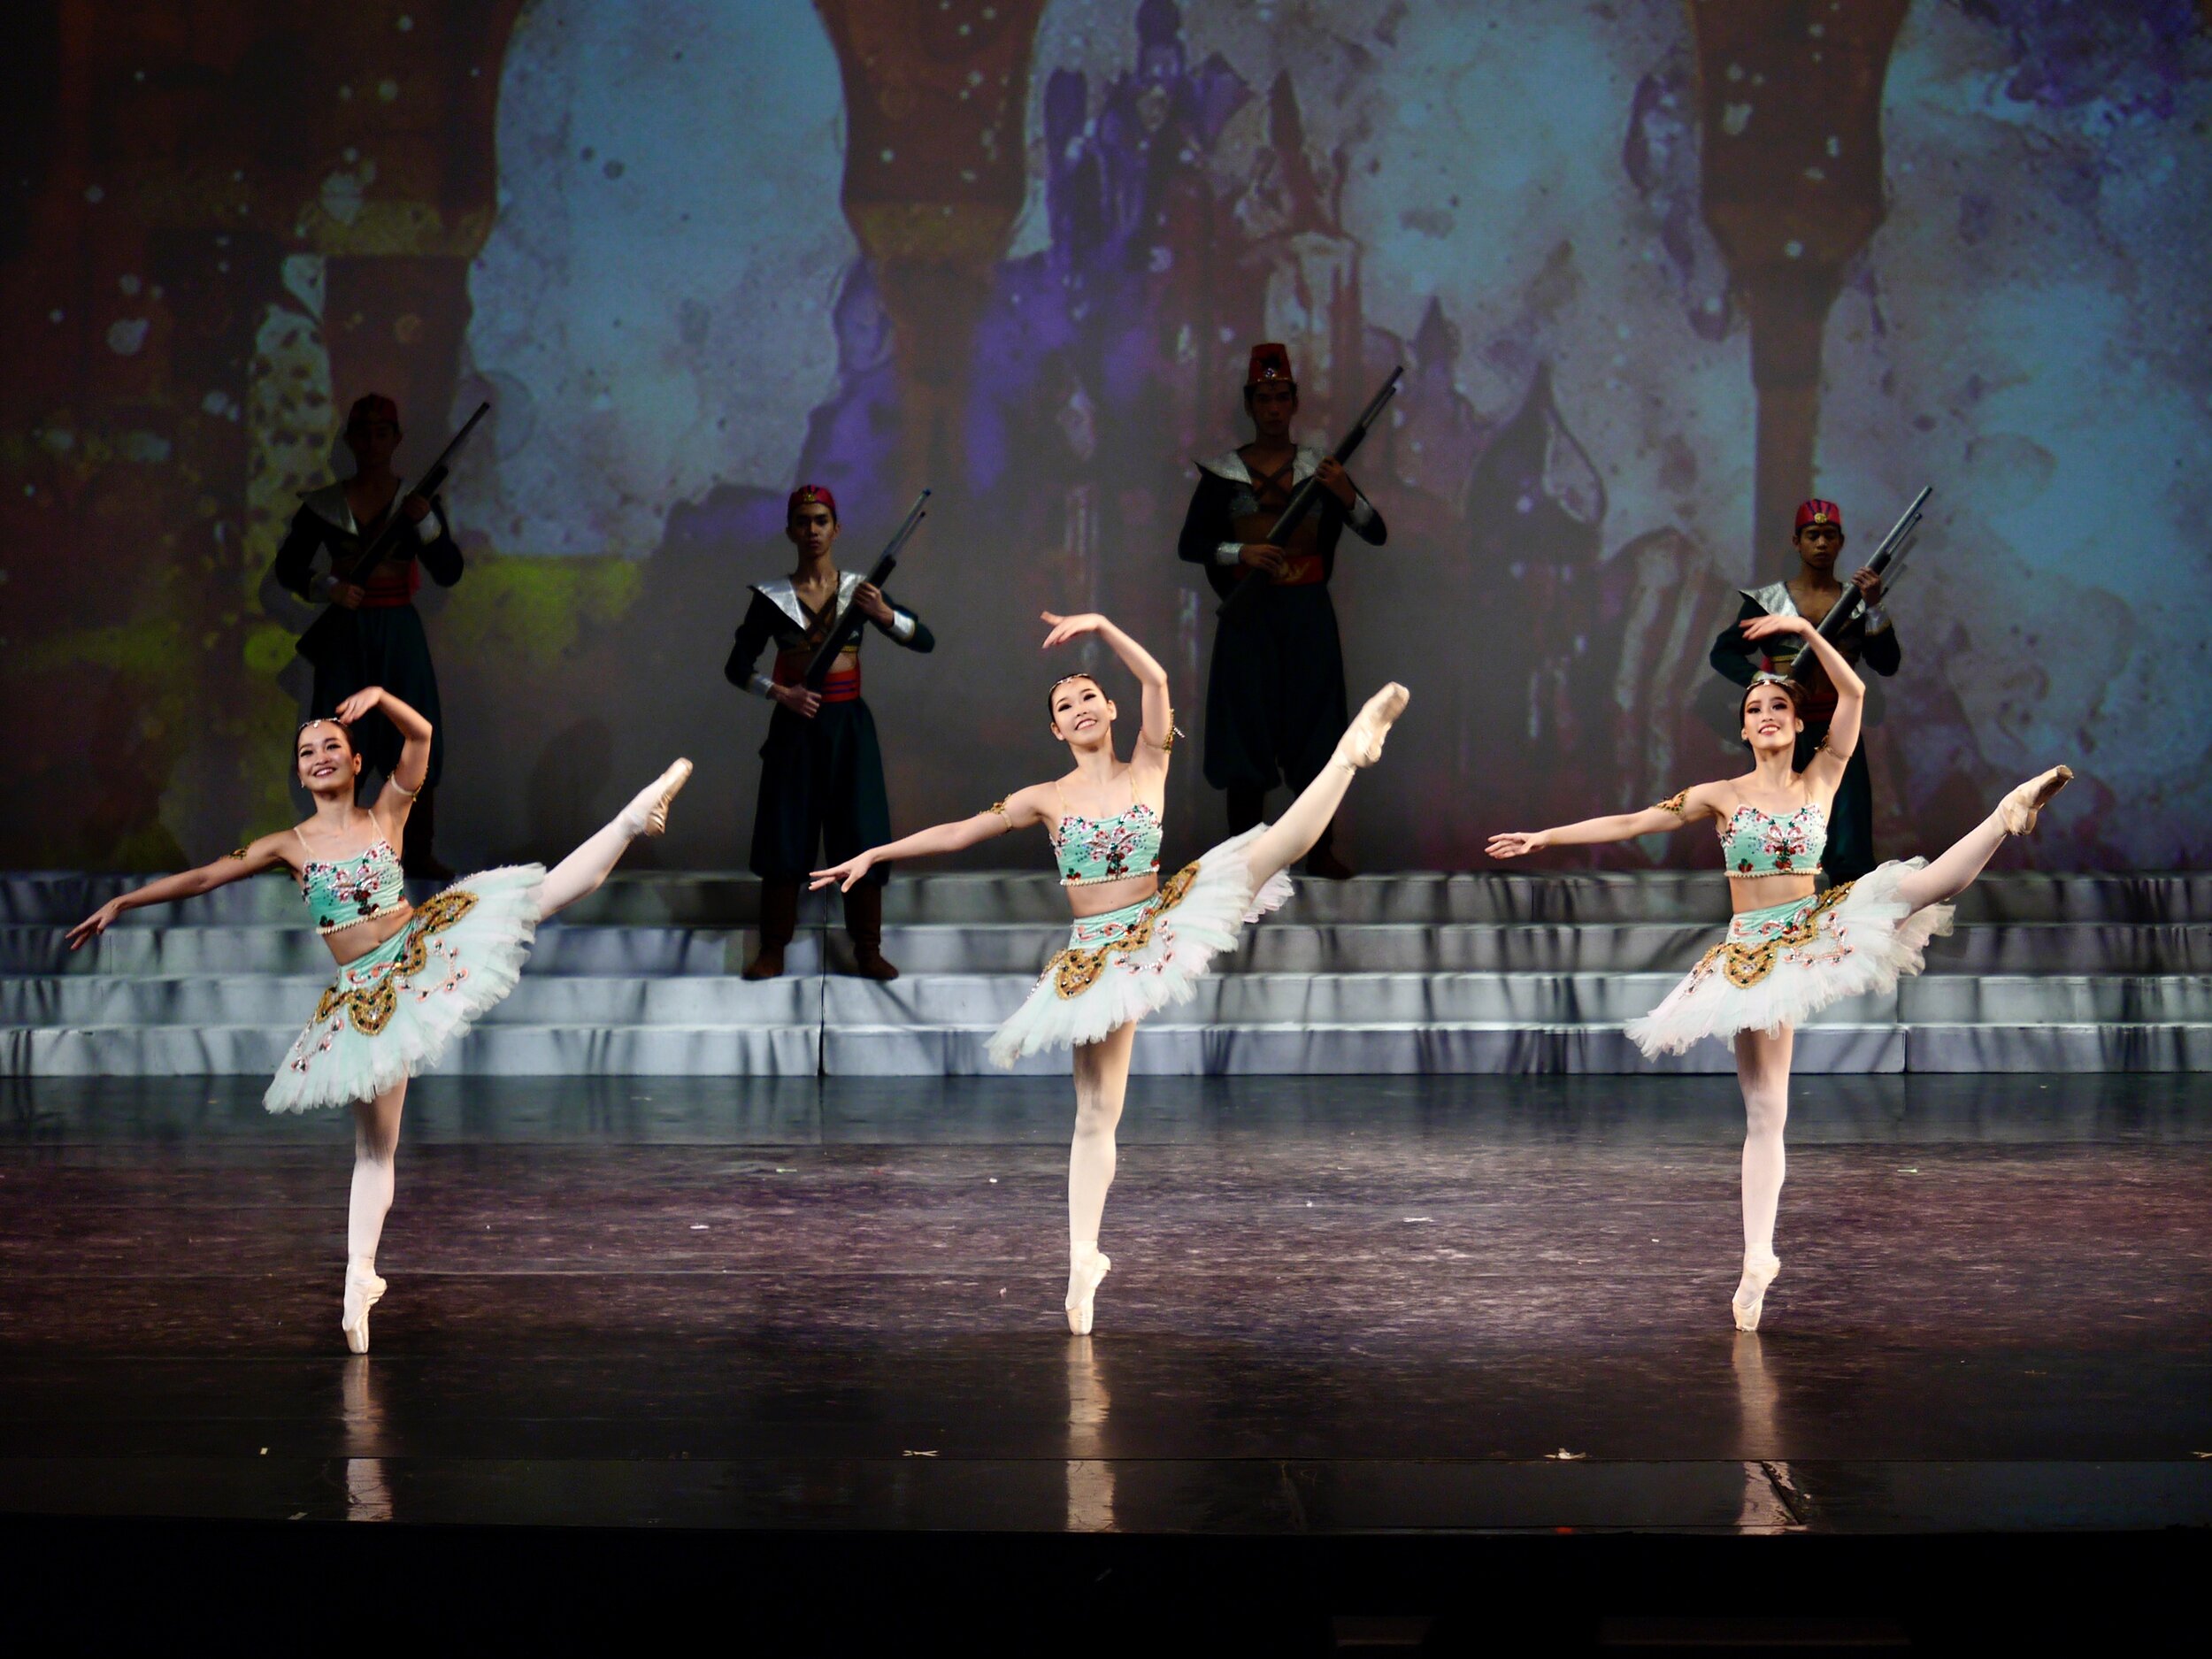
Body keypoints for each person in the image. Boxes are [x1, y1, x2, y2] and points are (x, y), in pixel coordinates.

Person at [814, 612, 1409, 1334]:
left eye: (1090, 694)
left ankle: (1350, 752)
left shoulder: (1148, 765)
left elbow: (1157, 678)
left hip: (1158, 918)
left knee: (1274, 845)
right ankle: (1082, 1260)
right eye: (1064, 705)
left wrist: (1100, 624)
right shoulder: (1046, 797)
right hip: (1097, 952)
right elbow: (957, 830)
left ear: (1112, 708)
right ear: (1057, 731)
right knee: (1096, 1114)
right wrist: (875, 854)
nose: (1080, 706)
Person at [1489, 613, 2070, 1333]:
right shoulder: (1719, 795)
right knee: (1766, 1114)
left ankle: (2004, 815)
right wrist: (1545, 835)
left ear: (1798, 725)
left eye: (1779, 707)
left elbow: (1853, 694)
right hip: (1750, 949)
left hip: (1812, 925)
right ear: (1743, 729)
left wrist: (1799, 625)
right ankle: (1757, 1258)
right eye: (1754, 708)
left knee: (1917, 890)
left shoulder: (1823, 776)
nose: (1765, 714)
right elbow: (1633, 822)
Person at [67, 687, 692, 1354]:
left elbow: (421, 740)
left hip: (421, 947)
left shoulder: (386, 811)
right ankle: (359, 1277)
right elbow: (200, 880)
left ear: (357, 758)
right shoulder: (289, 844)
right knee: (375, 1147)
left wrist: (385, 699)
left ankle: (633, 814)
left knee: (542, 897)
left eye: (331, 745)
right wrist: (125, 901)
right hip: (367, 995)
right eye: (307, 752)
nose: (319, 756)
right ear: (300, 772)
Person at [1178, 343, 1388, 878]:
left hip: (1307, 615)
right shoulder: (1223, 474)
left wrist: (1344, 492)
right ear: (1251, 404)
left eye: (1281, 396)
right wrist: (1241, 553)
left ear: (1294, 402)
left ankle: (1318, 850)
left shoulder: (1321, 469)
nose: (1273, 407)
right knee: (1246, 734)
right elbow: (1192, 544)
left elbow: (1374, 530)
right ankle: (1239, 863)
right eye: (1263, 397)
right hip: (1250, 618)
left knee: (1317, 734)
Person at [725, 485, 935, 980]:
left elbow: (923, 639)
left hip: (850, 731)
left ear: (835, 528)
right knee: (784, 836)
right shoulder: (772, 598)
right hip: (795, 731)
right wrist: (781, 693)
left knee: (861, 834)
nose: (813, 530)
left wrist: (883, 613)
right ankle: (773, 948)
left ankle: (867, 949)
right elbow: (737, 667)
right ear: (791, 531)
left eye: (821, 520)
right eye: (803, 521)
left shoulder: (858, 591)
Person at [273, 395, 465, 878]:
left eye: (383, 433)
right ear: (351, 440)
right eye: (365, 433)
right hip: (345, 636)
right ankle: (338, 854)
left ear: (396, 439)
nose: (374, 443)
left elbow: (449, 570)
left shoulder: (417, 503)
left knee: (414, 736)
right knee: (338, 738)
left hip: (399, 630)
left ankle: (416, 852)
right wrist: (328, 588)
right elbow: (289, 567)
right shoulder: (325, 505)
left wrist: (425, 523)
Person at [1709, 498, 1899, 883]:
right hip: (1784, 735)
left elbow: (1886, 663)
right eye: (1812, 535)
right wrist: (1763, 683)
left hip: (1839, 732)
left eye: (1829, 535)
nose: (1821, 544)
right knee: (1782, 835)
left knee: (1849, 841)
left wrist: (1875, 607)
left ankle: (1848, 931)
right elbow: (1724, 653)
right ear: (1797, 542)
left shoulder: (1857, 603)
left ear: (1841, 542)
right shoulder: (1768, 602)